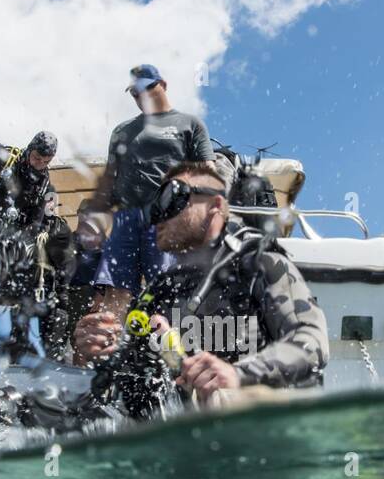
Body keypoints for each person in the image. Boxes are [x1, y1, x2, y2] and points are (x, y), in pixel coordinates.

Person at [74, 162, 328, 412]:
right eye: (153, 208)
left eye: (171, 197)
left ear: (215, 205)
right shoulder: (159, 291)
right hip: (189, 437)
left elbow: (310, 342)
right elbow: (138, 381)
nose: (158, 216)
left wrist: (237, 374)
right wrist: (103, 352)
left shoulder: (261, 266)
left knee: (223, 400)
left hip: (260, 426)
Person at [80, 65, 214, 355]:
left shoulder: (189, 124)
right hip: (126, 218)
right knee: (113, 289)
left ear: (162, 84)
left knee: (166, 291)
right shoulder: (122, 130)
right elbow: (109, 178)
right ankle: (104, 362)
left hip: (167, 219)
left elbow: (208, 173)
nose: (140, 96)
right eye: (135, 92)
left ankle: (174, 362)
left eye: (146, 88)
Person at [0, 131, 59, 238]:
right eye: (37, 158)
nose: (40, 165)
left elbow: (35, 224)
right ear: (29, 150)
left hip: (8, 240)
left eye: (46, 162)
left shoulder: (43, 184)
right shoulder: (3, 161)